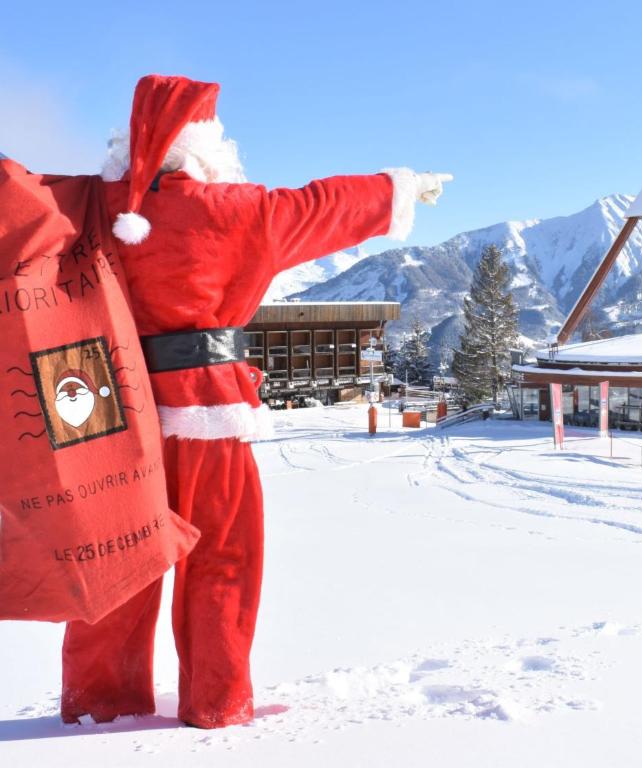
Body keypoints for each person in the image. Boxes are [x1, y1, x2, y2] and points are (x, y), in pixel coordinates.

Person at [60, 74, 450, 729]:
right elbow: (326, 204)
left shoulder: (93, 209)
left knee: (117, 560)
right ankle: (215, 701)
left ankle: (101, 701)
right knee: (222, 559)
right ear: (208, 146)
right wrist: (402, 187)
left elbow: (10, 208)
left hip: (114, 412)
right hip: (210, 410)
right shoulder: (244, 211)